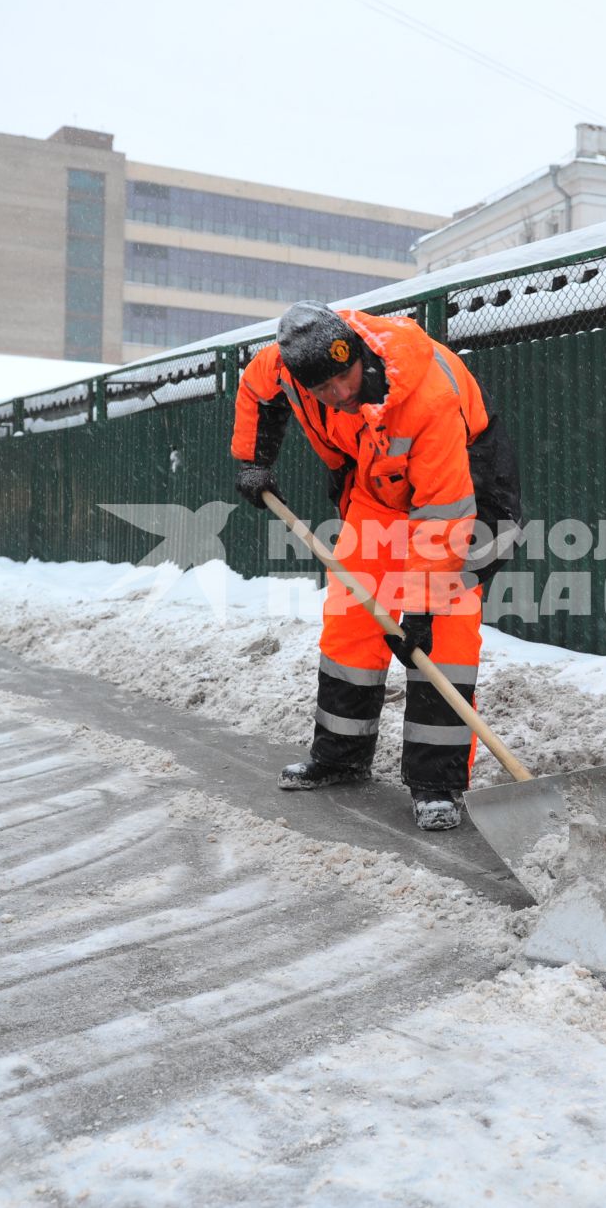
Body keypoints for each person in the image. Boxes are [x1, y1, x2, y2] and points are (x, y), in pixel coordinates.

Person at [230, 301, 518, 831]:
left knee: (443, 640)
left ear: (361, 353)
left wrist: (422, 611)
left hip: (464, 493)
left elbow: (442, 513)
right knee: (353, 622)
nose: (339, 395)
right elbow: (255, 390)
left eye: (346, 377)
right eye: (324, 389)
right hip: (377, 489)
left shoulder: (427, 395)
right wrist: (254, 461)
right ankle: (340, 756)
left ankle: (438, 783)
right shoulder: (285, 364)